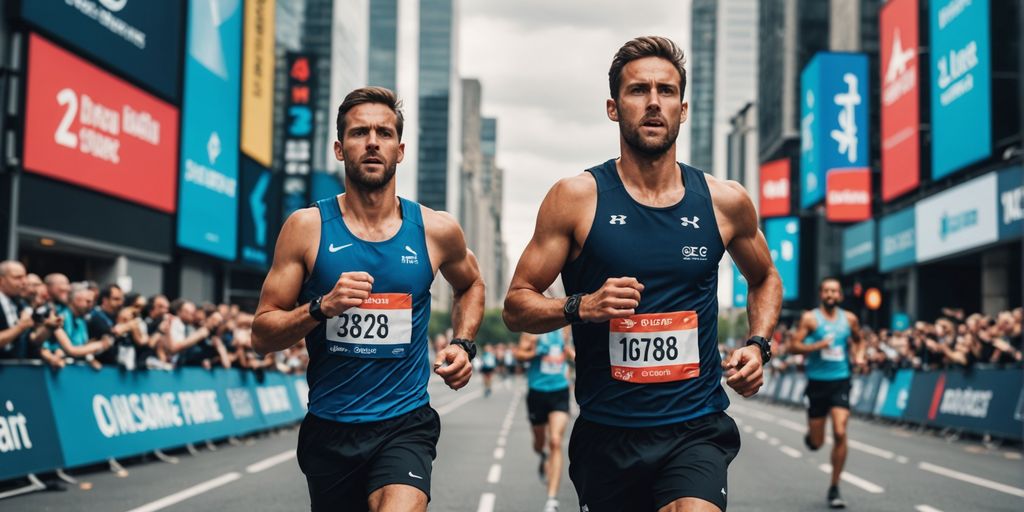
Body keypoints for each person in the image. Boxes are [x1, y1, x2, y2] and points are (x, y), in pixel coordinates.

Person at [503, 36, 782, 512]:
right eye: (638, 90)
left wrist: (758, 343)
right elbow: (516, 305)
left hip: (695, 426)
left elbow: (766, 278)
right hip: (609, 434)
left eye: (666, 91)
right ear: (613, 107)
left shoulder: (724, 201)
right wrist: (580, 306)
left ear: (684, 107)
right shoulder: (575, 198)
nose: (654, 102)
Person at [251, 86, 485, 512]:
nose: (373, 142)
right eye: (360, 133)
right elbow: (263, 334)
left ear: (400, 149)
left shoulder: (436, 229)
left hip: (405, 423)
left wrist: (462, 342)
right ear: (340, 149)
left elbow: (470, 284)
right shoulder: (306, 228)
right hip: (330, 428)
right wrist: (321, 307)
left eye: (384, 133)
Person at [786, 277, 864, 509]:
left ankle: (834, 486)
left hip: (841, 380)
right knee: (817, 443)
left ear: (840, 295)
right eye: (827, 291)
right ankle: (812, 436)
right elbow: (793, 346)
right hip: (817, 383)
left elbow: (860, 341)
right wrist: (815, 347)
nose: (831, 294)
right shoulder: (810, 319)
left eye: (835, 291)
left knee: (840, 431)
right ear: (821, 294)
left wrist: (859, 355)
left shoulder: (849, 319)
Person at [515, 326, 575, 512]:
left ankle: (551, 500)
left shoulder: (565, 328)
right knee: (539, 443)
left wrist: (571, 355)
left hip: (559, 391)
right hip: (537, 392)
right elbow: (519, 355)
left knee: (556, 441)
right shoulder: (532, 331)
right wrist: (534, 351)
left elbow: (567, 350)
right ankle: (542, 455)